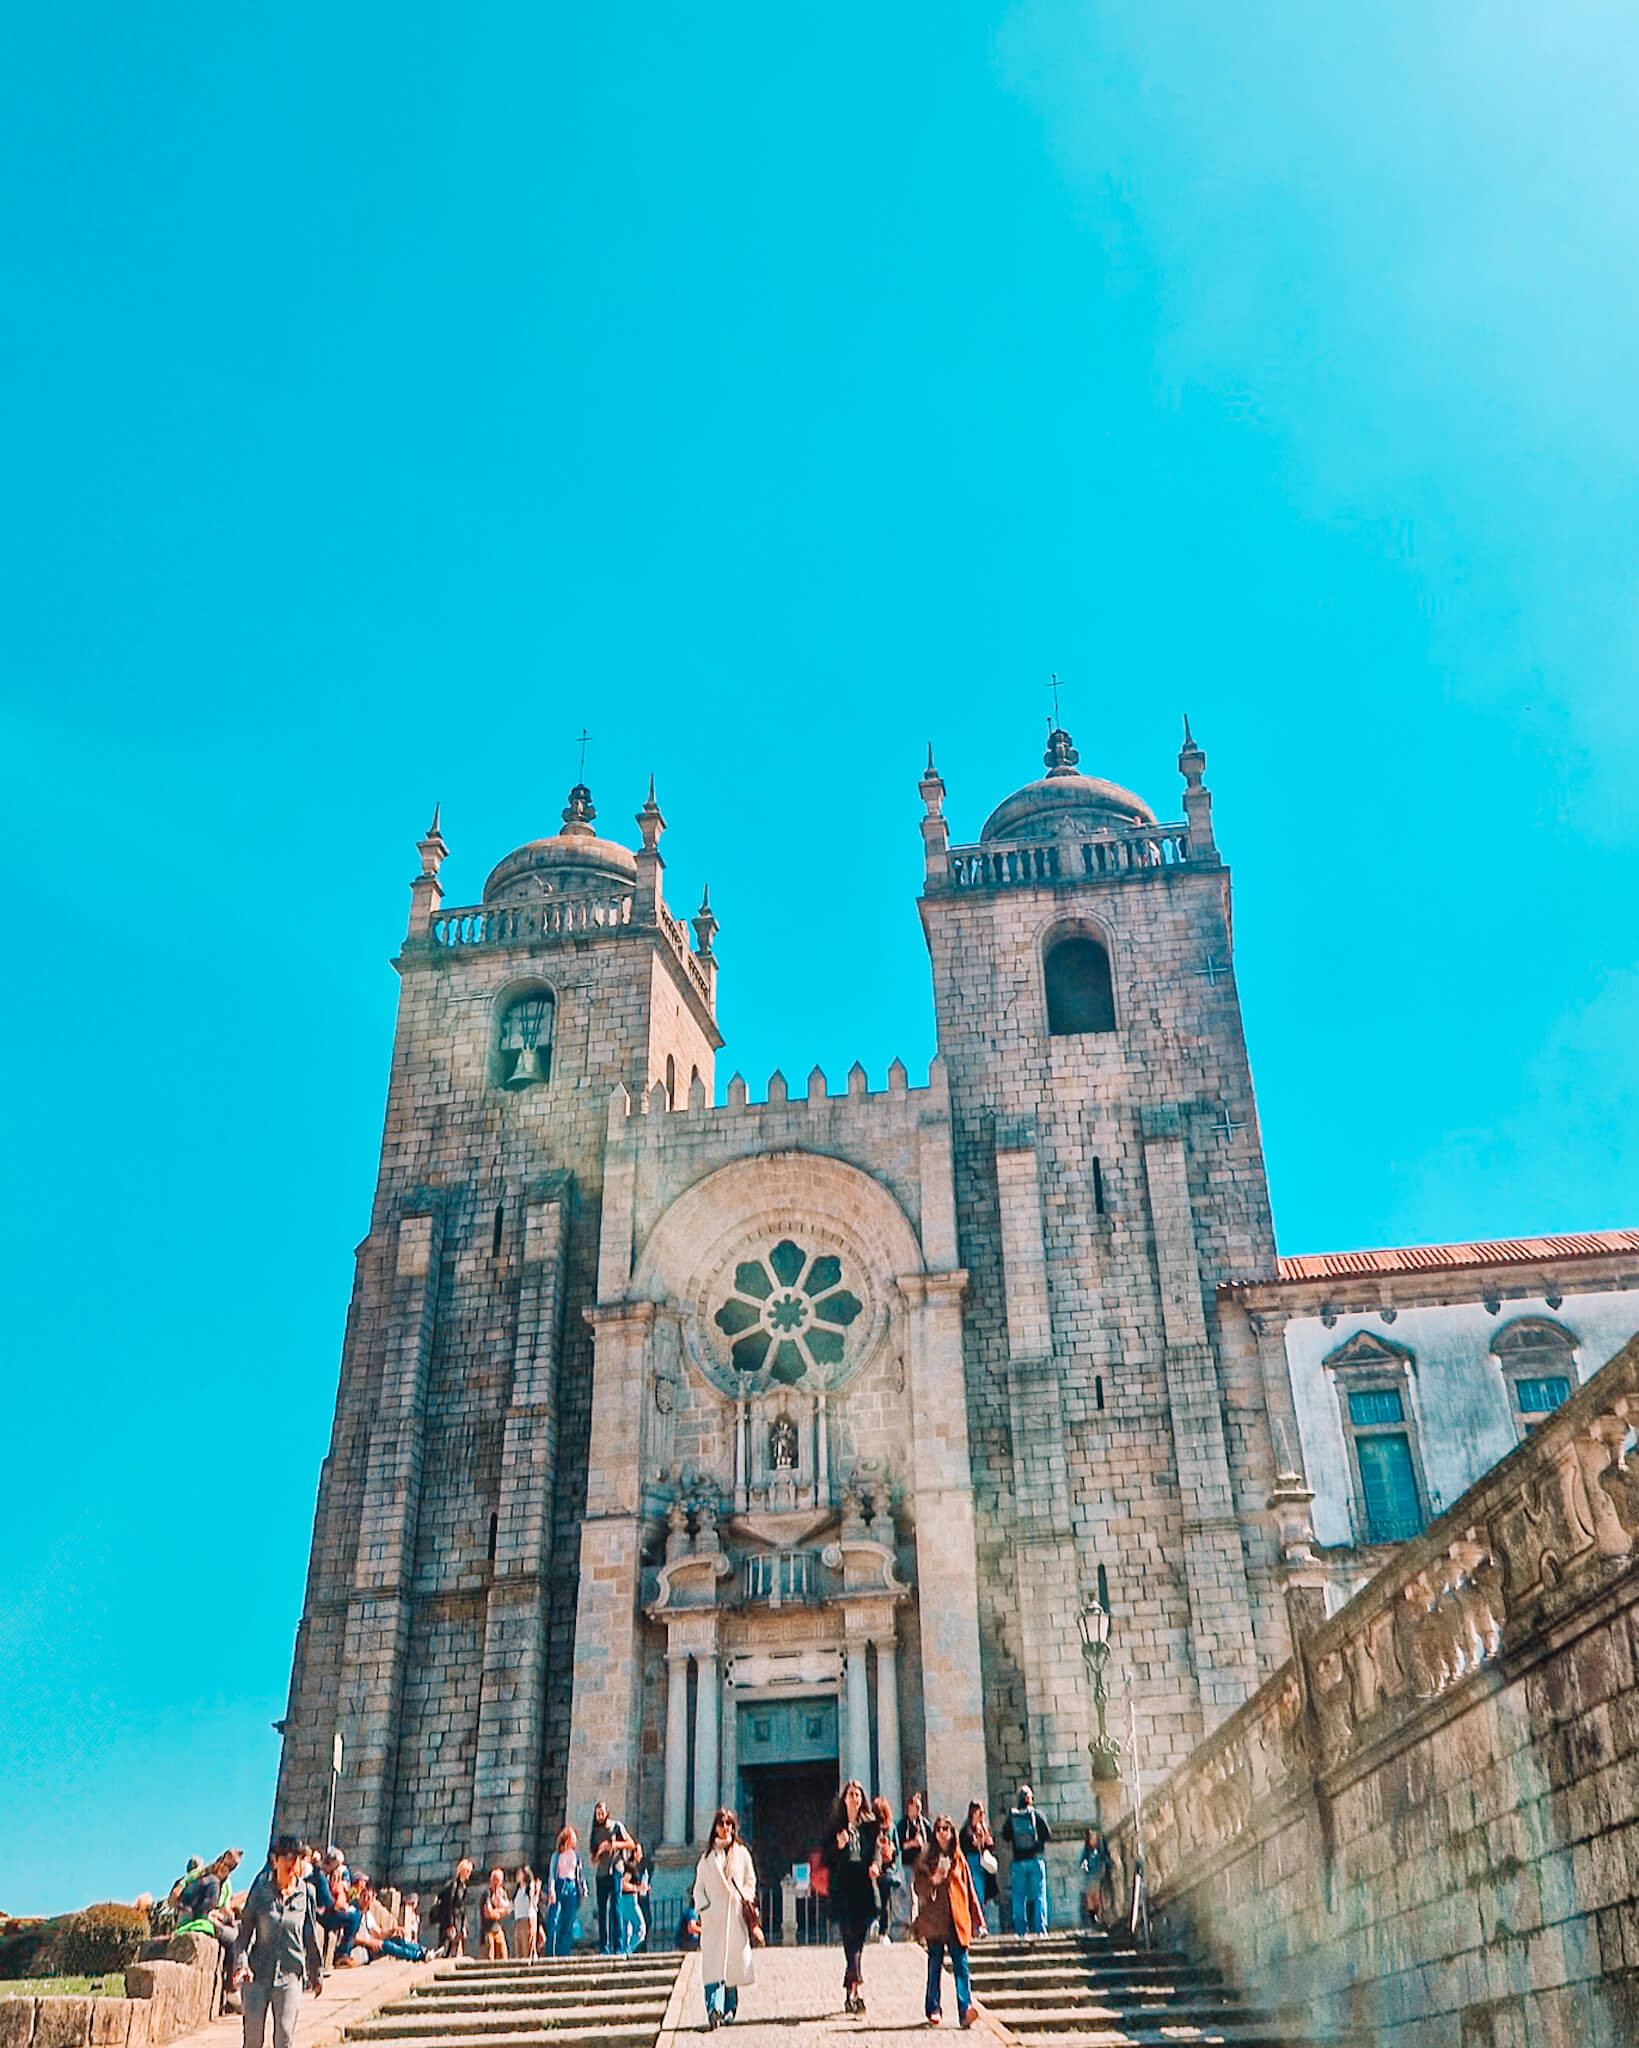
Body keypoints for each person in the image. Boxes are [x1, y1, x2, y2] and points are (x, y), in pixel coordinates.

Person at [231, 1834, 324, 2048]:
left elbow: (309, 1934)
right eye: (288, 1858)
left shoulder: (307, 1892)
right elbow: (244, 1933)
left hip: (290, 1974)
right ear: (275, 1860)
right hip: (257, 1974)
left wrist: (315, 1972)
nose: (294, 1864)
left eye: (298, 1858)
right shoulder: (261, 1890)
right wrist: (242, 1964)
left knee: (284, 2036)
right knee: (253, 2040)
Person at [912, 1814, 985, 2028]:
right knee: (934, 1965)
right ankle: (933, 2008)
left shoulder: (959, 1857)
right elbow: (919, 1886)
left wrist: (977, 1917)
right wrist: (933, 1881)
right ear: (935, 1833)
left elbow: (968, 1887)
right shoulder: (927, 1856)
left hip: (956, 1919)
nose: (944, 1832)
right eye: (940, 1829)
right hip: (936, 1920)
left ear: (953, 1833)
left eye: (947, 1828)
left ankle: (965, 2010)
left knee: (961, 1966)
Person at [692, 1808, 757, 2030]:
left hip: (735, 1918)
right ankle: (714, 2009)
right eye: (721, 1823)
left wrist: (745, 1898)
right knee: (713, 1968)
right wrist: (704, 1910)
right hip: (714, 1922)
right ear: (715, 1827)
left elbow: (750, 1881)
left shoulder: (741, 1854)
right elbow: (698, 1888)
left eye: (729, 1824)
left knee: (730, 1968)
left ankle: (728, 2010)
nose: (725, 1828)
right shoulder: (707, 1858)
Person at [822, 1780, 881, 2016]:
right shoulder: (835, 1826)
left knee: (859, 1939)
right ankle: (856, 1986)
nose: (854, 1798)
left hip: (864, 1886)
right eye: (851, 1794)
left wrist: (876, 1864)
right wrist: (837, 1846)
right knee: (850, 1938)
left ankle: (851, 1991)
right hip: (844, 1887)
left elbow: (876, 1849)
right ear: (844, 1799)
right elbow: (826, 1858)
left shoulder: (870, 1825)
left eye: (858, 1794)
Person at [1006, 1785, 1053, 1936]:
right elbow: (1048, 1833)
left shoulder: (1012, 1816)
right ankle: (1041, 1930)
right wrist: (1038, 1844)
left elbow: (1005, 1835)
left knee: (1019, 1897)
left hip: (1018, 1861)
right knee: (1039, 1895)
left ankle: (1020, 1932)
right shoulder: (1037, 1814)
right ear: (1029, 1799)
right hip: (1035, 1860)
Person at [895, 1793, 930, 1940]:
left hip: (922, 1865)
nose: (918, 1808)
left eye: (919, 1805)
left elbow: (932, 1841)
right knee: (911, 1898)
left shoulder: (924, 1824)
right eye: (915, 1805)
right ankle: (912, 1928)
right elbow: (898, 1845)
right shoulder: (903, 1825)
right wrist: (912, 1843)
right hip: (908, 1865)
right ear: (909, 1807)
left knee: (924, 1897)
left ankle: (924, 1929)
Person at [959, 1803, 996, 1930]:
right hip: (972, 1862)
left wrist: (986, 1839)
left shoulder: (984, 1828)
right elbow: (968, 1845)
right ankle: (978, 1925)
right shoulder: (967, 1830)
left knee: (983, 1895)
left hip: (983, 1864)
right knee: (976, 1894)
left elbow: (990, 1844)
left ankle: (980, 1923)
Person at [549, 1828, 587, 1955]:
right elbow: (552, 1875)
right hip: (560, 1885)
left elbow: (580, 1874)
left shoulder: (576, 1855)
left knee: (568, 1921)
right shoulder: (556, 1855)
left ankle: (564, 1953)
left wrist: (583, 1889)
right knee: (554, 1920)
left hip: (572, 1887)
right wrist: (552, 1890)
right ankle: (552, 1952)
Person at [589, 1802, 618, 1955]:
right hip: (601, 1874)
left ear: (607, 1812)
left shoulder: (616, 1826)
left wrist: (613, 1845)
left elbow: (631, 1843)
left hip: (614, 1872)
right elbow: (592, 1860)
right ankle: (604, 1947)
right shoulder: (594, 1832)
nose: (600, 1816)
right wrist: (599, 1852)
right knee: (602, 1912)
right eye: (597, 1813)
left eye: (602, 1813)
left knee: (615, 1908)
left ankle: (618, 1947)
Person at [869, 1796, 899, 1942]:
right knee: (885, 1900)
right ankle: (883, 1932)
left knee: (876, 1896)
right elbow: (897, 1849)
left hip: (877, 1868)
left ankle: (875, 1922)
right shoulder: (890, 1828)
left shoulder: (873, 1828)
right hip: (885, 1868)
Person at [432, 1858, 474, 1959]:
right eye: (468, 1871)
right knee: (445, 1948)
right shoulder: (453, 1885)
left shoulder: (463, 1887)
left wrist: (464, 1925)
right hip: (449, 1921)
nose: (469, 1874)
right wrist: (450, 1924)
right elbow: (449, 1905)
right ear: (463, 1871)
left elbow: (462, 1908)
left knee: (455, 1948)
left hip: (458, 1920)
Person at [615, 1840, 648, 1955]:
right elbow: (623, 1884)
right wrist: (637, 1888)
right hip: (629, 1900)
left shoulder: (629, 1867)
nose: (641, 1855)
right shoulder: (630, 1868)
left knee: (626, 1931)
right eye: (639, 1852)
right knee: (640, 1928)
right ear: (634, 1853)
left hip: (624, 1900)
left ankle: (623, 1952)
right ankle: (628, 1952)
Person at [1079, 1829, 1113, 1928]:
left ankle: (1097, 1915)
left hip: (1098, 1876)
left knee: (1097, 1896)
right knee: (1090, 1897)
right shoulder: (1087, 1851)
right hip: (1089, 1876)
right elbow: (1082, 1861)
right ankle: (1092, 1916)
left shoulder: (1100, 1851)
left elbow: (1106, 1859)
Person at [479, 1869, 510, 1961]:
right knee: (489, 1958)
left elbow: (508, 1910)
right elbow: (488, 1913)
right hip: (487, 1931)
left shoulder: (502, 1893)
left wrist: (497, 1912)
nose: (496, 1883)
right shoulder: (486, 1894)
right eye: (495, 1880)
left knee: (503, 1957)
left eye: (499, 1880)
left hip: (499, 1929)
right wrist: (500, 1912)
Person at [511, 1867, 538, 1960]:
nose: (517, 1875)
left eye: (520, 1873)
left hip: (528, 1919)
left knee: (527, 1947)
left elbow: (533, 1902)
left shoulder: (529, 1888)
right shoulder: (518, 1890)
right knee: (519, 1947)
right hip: (519, 1919)